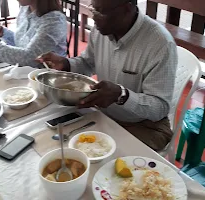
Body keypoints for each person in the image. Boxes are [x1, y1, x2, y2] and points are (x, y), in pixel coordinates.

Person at [37, 0, 178, 151]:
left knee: (103, 161)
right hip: (104, 114)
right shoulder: (101, 30)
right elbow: (87, 63)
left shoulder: (160, 44)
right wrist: (66, 64)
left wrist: (121, 95)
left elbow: (159, 108)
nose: (93, 17)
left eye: (100, 11)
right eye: (93, 9)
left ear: (126, 8)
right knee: (58, 144)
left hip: (144, 125)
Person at [0, 0, 67, 67]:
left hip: (47, 78)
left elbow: (29, 58)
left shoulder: (54, 20)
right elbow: (21, 44)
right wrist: (0, 31)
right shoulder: (25, 9)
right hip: (24, 73)